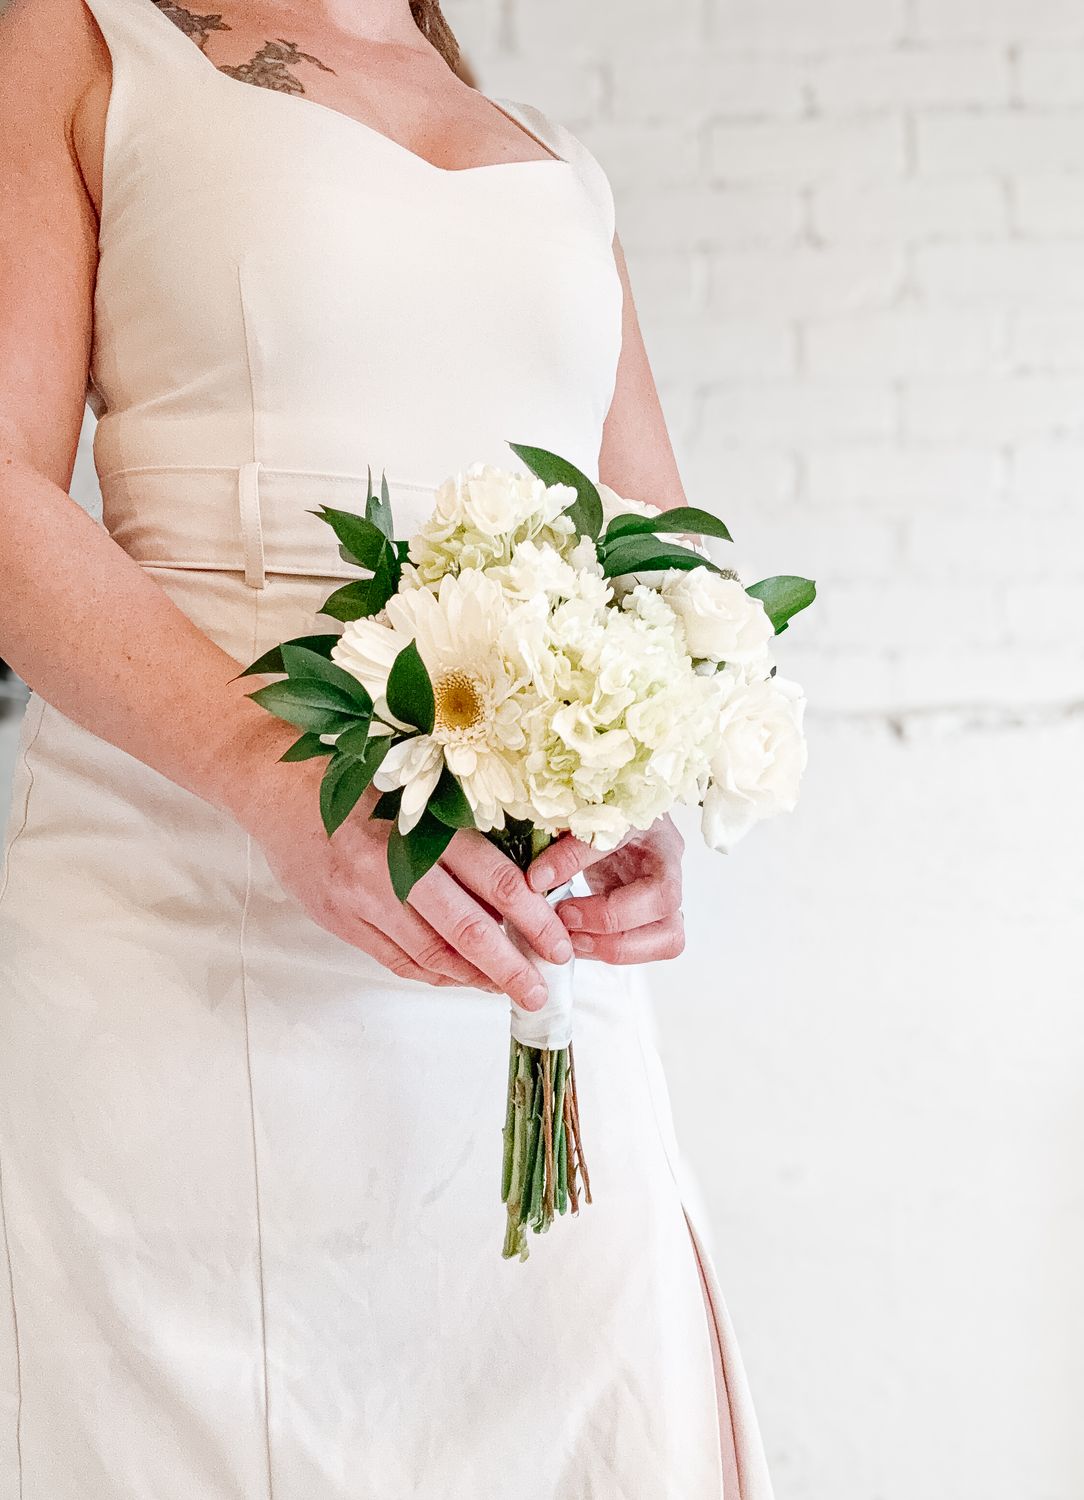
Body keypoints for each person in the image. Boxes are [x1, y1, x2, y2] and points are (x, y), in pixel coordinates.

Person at [0, 0, 774, 1492]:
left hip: (526, 977)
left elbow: (664, 557)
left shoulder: (552, 158)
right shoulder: (86, 39)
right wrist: (275, 778)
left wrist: (650, 802)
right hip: (187, 929)